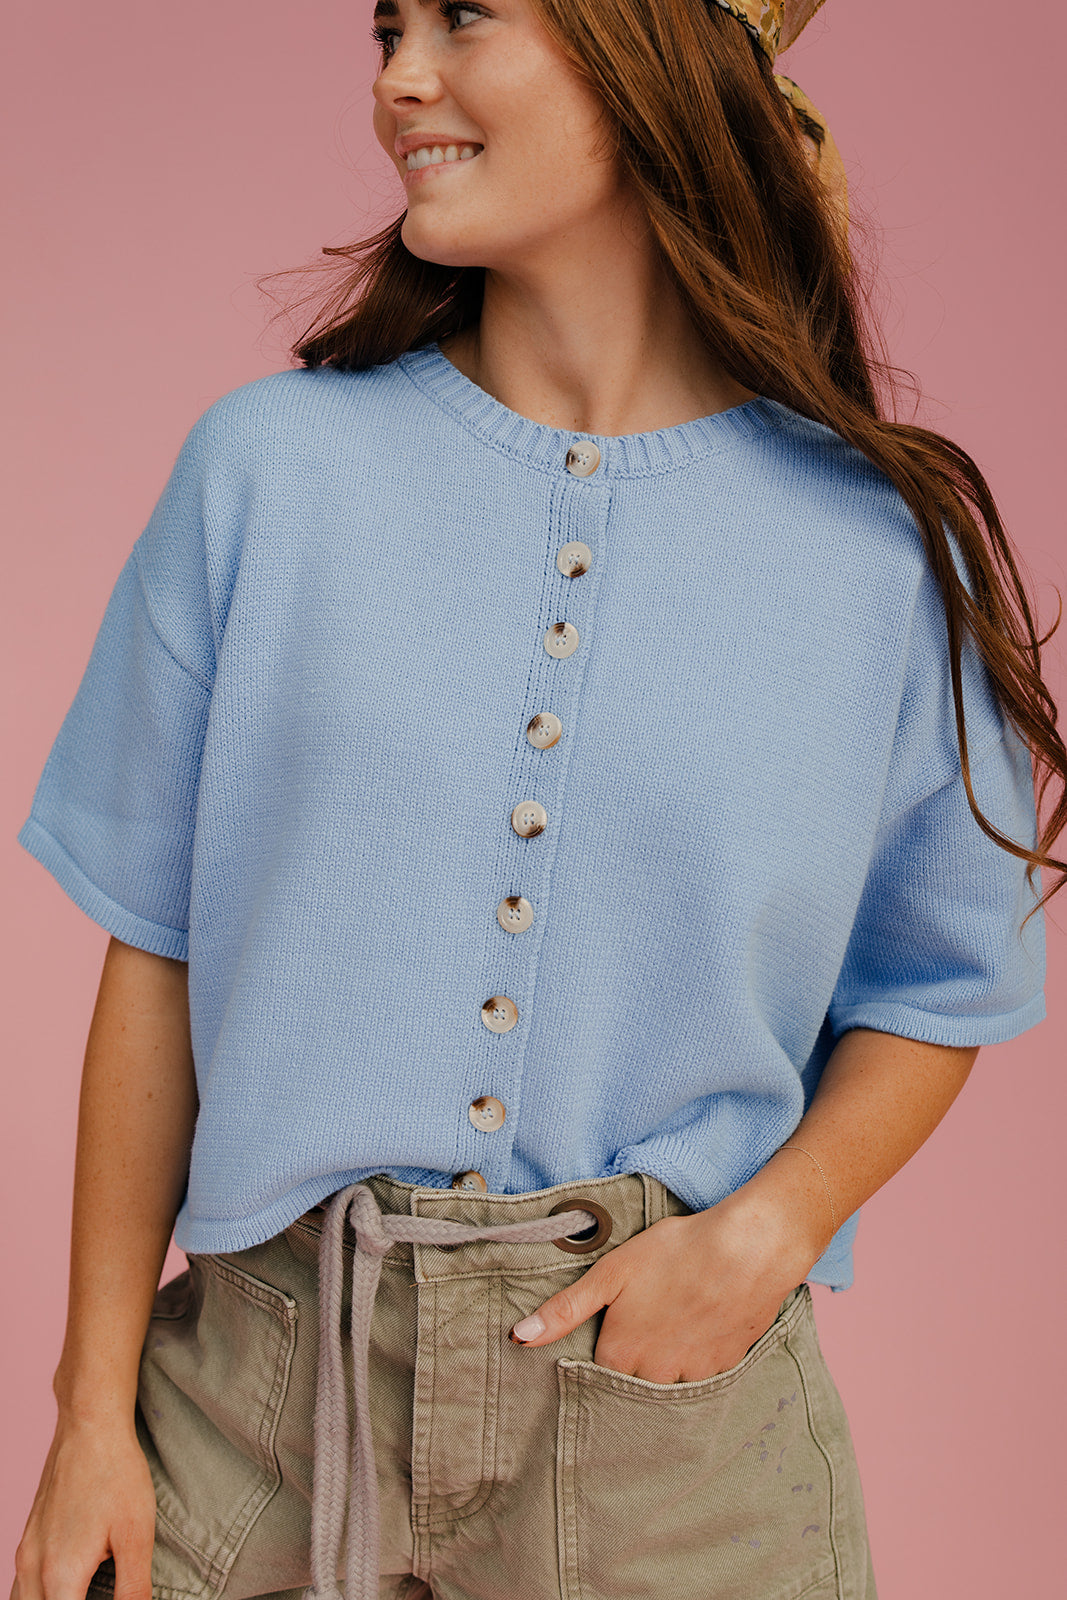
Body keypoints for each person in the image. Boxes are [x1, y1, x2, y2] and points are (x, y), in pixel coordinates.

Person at [11, 1, 1065, 1598]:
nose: (396, 80)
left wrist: (762, 1238)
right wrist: (92, 1412)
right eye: (384, 28)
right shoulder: (267, 475)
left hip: (674, 1442)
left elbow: (944, 984)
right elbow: (153, 954)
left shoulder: (871, 558)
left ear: (651, 55)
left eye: (463, 17)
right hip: (257, 1420)